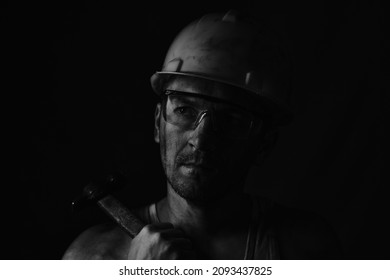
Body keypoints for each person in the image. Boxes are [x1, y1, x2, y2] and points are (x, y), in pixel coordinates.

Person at [62, 10, 342, 260]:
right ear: (158, 122)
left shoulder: (306, 252)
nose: (201, 139)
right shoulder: (91, 259)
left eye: (231, 120)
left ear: (264, 144)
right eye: (185, 110)